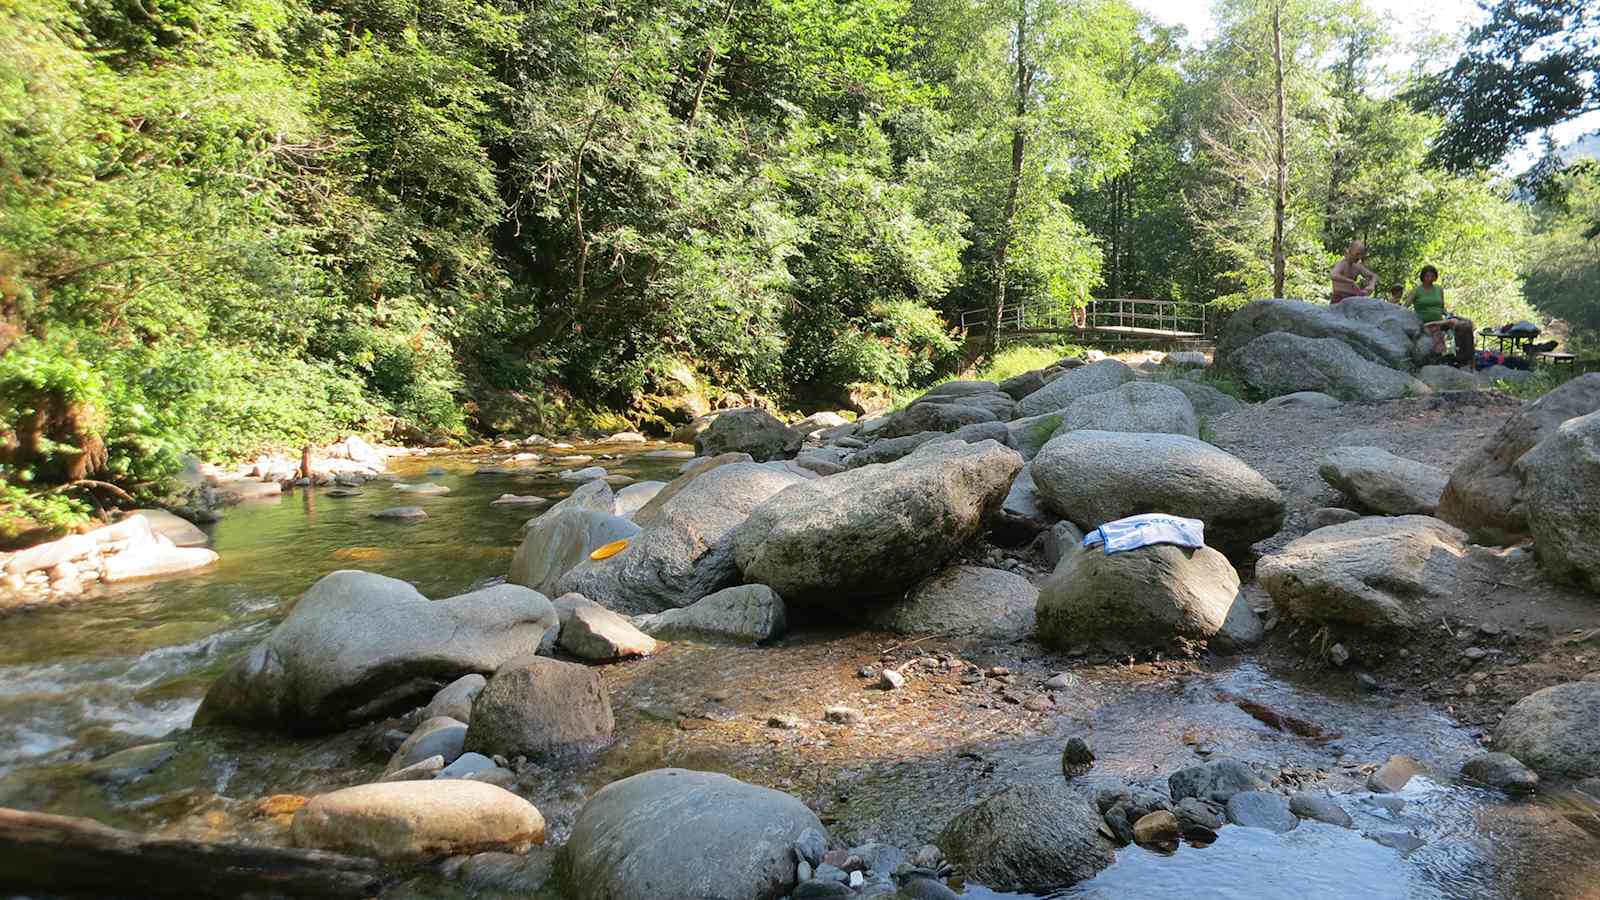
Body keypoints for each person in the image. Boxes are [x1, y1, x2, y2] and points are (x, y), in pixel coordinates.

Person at [1406, 264, 1474, 367]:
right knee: (1454, 323)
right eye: (1427, 276)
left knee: (1466, 325)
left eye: (1432, 276)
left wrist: (1449, 314)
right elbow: (1404, 307)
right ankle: (1458, 358)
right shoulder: (1417, 290)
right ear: (1423, 276)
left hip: (1440, 321)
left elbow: (1442, 308)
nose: (1429, 278)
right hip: (1425, 323)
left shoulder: (1438, 289)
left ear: (1435, 277)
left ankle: (1464, 357)